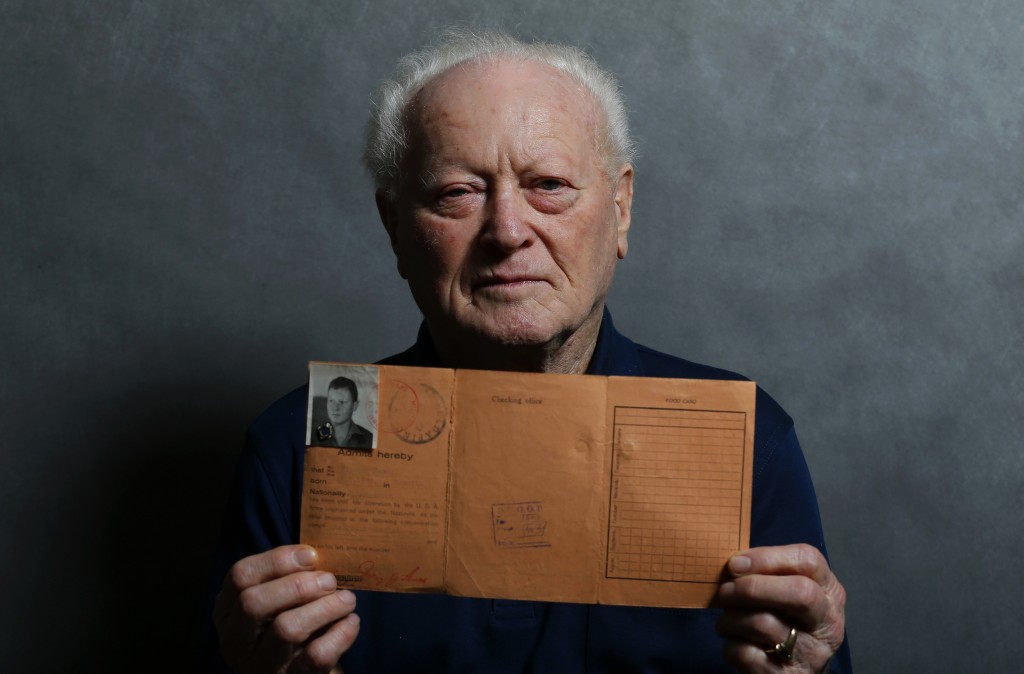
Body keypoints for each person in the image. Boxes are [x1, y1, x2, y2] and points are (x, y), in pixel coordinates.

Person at [203, 30, 851, 673]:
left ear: (620, 209)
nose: (508, 232)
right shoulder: (297, 448)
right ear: (395, 227)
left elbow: (797, 651)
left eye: (548, 183)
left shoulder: (747, 441)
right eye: (457, 192)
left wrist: (804, 666)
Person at [316, 376, 373, 449]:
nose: (335, 408)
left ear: (354, 406)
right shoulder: (314, 436)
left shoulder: (369, 440)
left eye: (342, 402)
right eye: (331, 401)